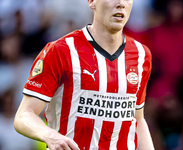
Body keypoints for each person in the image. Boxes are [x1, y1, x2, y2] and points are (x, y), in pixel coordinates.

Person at [14, 0, 155, 150]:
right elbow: (24, 115)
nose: (121, 3)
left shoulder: (141, 55)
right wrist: (49, 135)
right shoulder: (61, 51)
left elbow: (137, 119)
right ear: (92, 2)